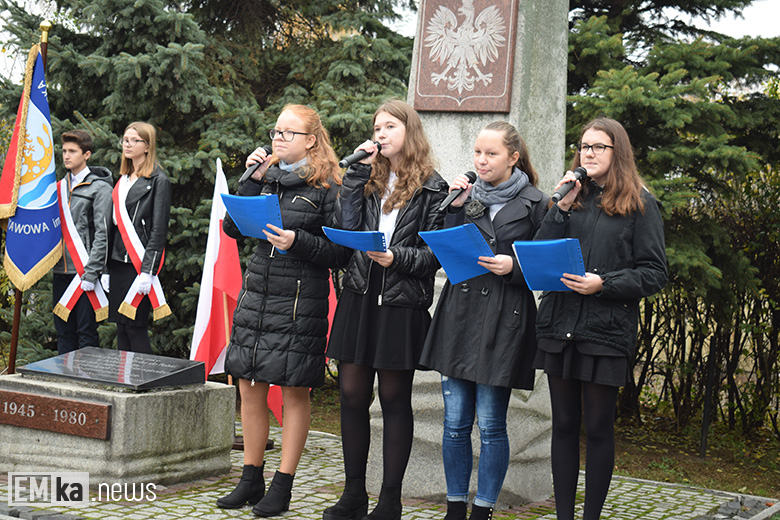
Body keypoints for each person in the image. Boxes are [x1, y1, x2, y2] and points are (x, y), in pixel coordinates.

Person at [217, 104, 349, 517]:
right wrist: (249, 181)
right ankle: (250, 477)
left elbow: (341, 252)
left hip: (298, 301)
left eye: (287, 133)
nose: (277, 138)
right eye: (276, 131)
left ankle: (283, 485)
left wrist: (299, 242)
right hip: (257, 293)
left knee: (293, 390)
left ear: (311, 140)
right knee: (249, 386)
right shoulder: (268, 177)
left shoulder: (329, 186)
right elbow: (232, 227)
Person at [533, 118, 667, 520]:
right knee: (564, 426)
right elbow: (538, 253)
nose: (587, 153)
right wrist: (559, 207)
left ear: (617, 153)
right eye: (584, 146)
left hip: (604, 332)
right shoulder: (572, 199)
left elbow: (654, 272)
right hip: (561, 327)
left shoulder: (640, 204)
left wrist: (602, 284)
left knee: (597, 429)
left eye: (598, 147)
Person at [322, 99, 448, 520]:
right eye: (377, 127)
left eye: (389, 127)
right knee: (352, 395)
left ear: (408, 132)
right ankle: (354, 493)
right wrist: (354, 178)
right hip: (360, 296)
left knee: (394, 399)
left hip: (400, 304)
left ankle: (390, 500)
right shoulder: (367, 179)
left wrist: (398, 260)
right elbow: (345, 233)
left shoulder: (434, 188)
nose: (380, 134)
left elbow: (434, 257)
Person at [419, 121, 549, 520]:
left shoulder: (536, 202)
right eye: (477, 152)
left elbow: (547, 265)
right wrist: (454, 209)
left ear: (513, 157)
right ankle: (455, 505)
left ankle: (483, 508)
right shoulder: (464, 196)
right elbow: (442, 247)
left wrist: (514, 266)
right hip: (459, 315)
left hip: (504, 319)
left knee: (491, 423)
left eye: (491, 154)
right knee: (455, 422)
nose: (481, 160)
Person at [105, 121, 171, 354]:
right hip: (118, 262)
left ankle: (142, 382)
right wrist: (105, 268)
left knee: (135, 327)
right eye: (125, 139)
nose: (128, 144)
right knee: (121, 327)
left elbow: (158, 230)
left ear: (147, 146)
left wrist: (147, 271)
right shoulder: (122, 179)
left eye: (135, 140)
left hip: (138, 264)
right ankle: (125, 381)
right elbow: (113, 226)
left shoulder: (158, 180)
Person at [52, 129, 113, 354]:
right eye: (64, 151)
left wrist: (92, 272)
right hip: (61, 270)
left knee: (86, 332)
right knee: (63, 332)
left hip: (86, 272)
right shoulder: (57, 188)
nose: (66, 155)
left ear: (86, 154)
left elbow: (102, 233)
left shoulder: (100, 188)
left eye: (72, 151)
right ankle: (64, 384)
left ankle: (87, 384)